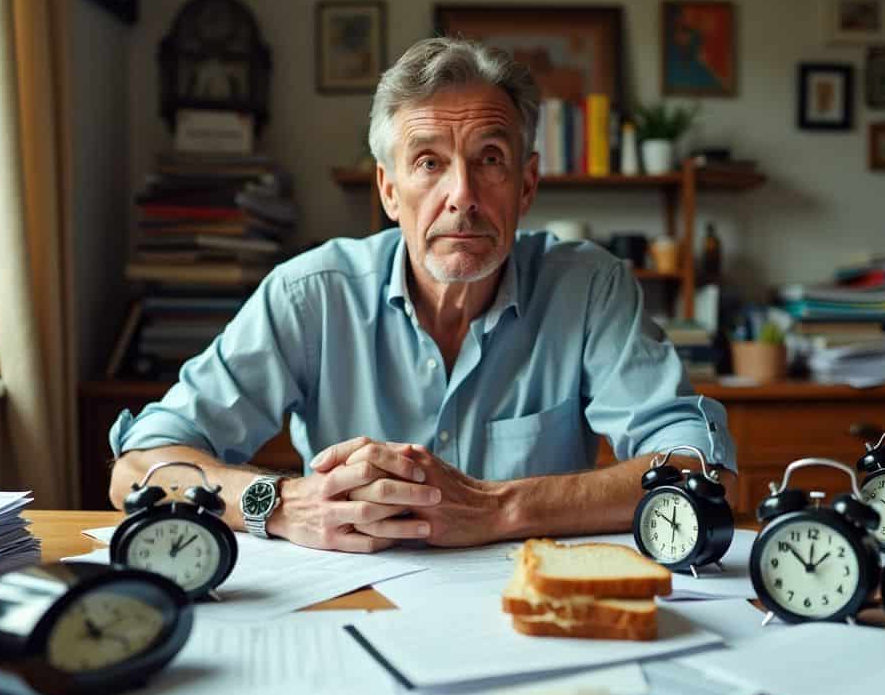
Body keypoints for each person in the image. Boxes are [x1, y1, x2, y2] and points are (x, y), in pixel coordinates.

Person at [109, 37, 737, 553]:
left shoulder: (589, 288)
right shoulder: (311, 295)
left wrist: (498, 508)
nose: (461, 194)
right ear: (388, 191)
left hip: (526, 608)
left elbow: (706, 472)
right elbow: (137, 468)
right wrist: (276, 502)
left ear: (526, 185)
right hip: (347, 609)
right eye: (429, 162)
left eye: (490, 158)